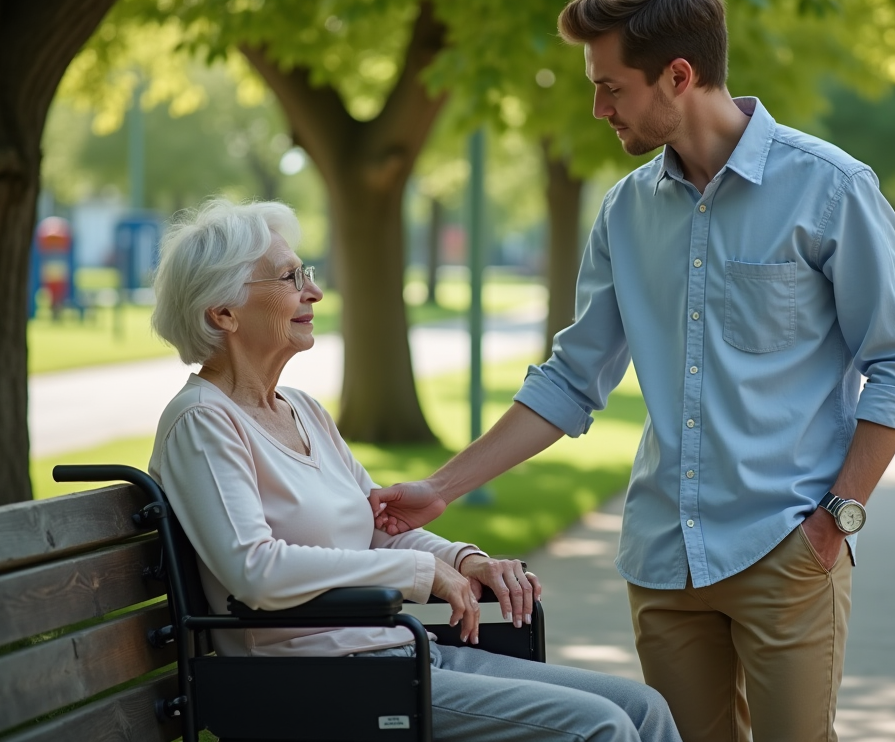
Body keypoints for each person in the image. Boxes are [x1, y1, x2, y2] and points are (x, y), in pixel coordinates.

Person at [371, 0, 895, 742]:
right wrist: (440, 488)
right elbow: (572, 380)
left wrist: (836, 520)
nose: (598, 109)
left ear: (679, 75)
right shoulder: (626, 212)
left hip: (788, 546)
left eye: (612, 88)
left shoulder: (830, 189)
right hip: (663, 562)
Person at [147, 198, 681, 742]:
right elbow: (254, 571)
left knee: (643, 707)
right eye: (290, 278)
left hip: (398, 653)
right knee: (600, 728)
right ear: (224, 313)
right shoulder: (202, 422)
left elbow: (377, 528)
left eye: (305, 273)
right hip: (318, 679)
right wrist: (418, 576)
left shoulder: (302, 409)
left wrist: (462, 560)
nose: (314, 291)